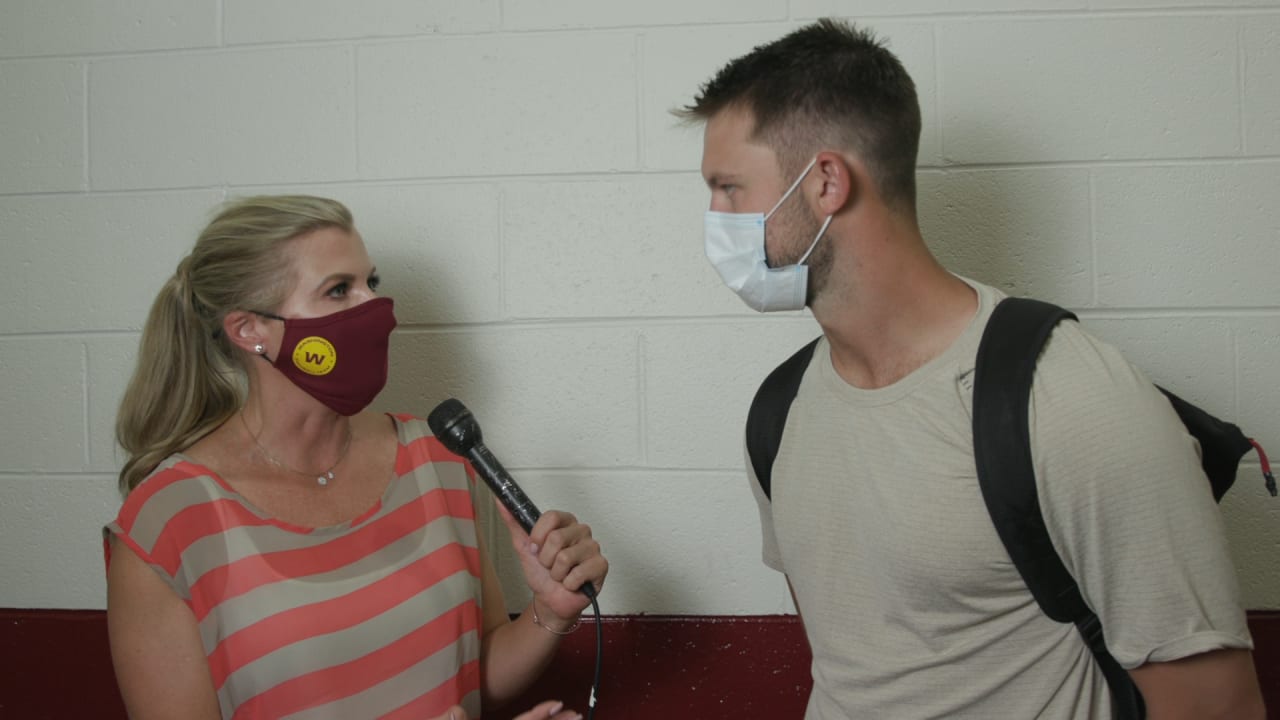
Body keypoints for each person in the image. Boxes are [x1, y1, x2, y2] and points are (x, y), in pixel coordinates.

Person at [678, 18, 1265, 719]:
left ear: (826, 181)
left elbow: (1214, 706)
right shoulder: (779, 413)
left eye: (730, 189)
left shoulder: (1067, 398)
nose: (715, 221)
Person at [104, 195, 605, 720]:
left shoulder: (436, 459)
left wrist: (549, 611)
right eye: (338, 290)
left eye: (373, 283)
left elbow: (473, 680)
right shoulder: (167, 522)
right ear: (249, 330)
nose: (374, 308)